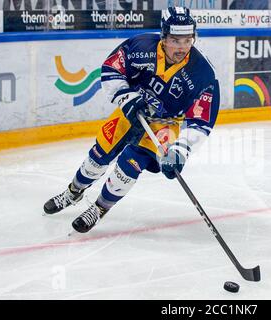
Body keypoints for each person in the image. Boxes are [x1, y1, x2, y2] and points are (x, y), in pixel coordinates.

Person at [43, 7, 220, 233]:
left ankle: (99, 209)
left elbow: (200, 122)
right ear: (164, 36)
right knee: (98, 158)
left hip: (164, 125)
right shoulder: (141, 46)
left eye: (188, 40)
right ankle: (73, 192)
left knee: (128, 168)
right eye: (176, 40)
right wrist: (126, 97)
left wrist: (180, 150)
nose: (182, 47)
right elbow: (111, 69)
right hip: (131, 111)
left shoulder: (203, 74)